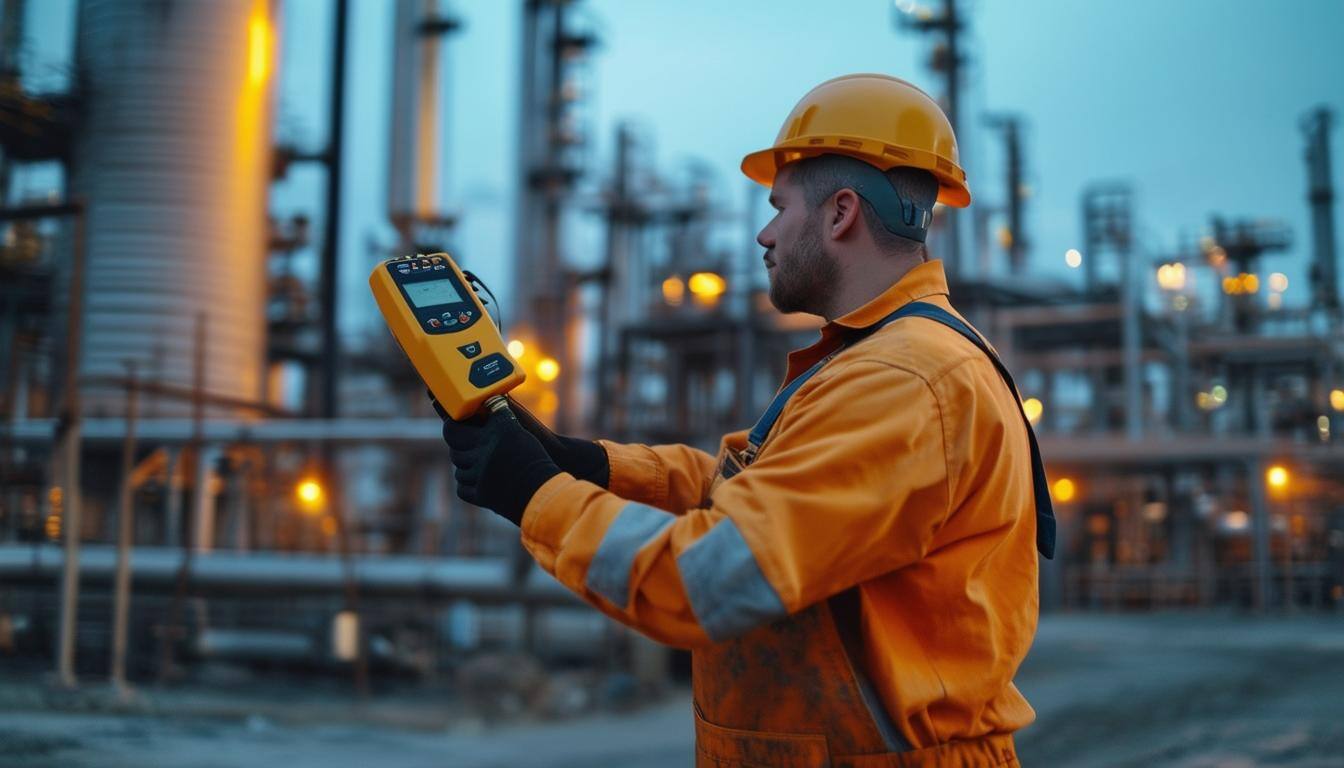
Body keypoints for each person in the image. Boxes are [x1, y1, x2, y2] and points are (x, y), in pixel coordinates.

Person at [433, 73, 1055, 767]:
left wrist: (536, 496)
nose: (763, 234)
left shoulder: (902, 381)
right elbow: (757, 493)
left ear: (841, 213)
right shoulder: (886, 358)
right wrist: (591, 466)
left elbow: (712, 578)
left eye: (778, 207)